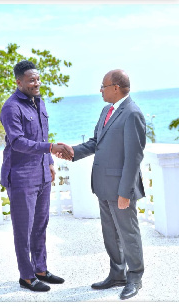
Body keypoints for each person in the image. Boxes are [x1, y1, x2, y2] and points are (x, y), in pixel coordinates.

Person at [56, 69, 146, 300]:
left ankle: (134, 278)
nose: (100, 90)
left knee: (128, 234)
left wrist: (125, 192)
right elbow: (97, 142)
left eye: (103, 86)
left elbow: (134, 156)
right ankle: (117, 274)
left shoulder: (132, 113)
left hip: (121, 189)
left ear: (116, 87)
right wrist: (73, 151)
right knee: (110, 234)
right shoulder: (107, 110)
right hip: (103, 186)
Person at [0, 60, 73, 292]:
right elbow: (18, 142)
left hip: (42, 174)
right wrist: (51, 148)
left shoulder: (38, 102)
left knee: (40, 225)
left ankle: (40, 269)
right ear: (18, 82)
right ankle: (27, 276)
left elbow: (42, 134)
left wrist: (50, 162)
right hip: (21, 177)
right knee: (24, 228)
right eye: (31, 80)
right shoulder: (11, 107)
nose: (36, 83)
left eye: (38, 79)